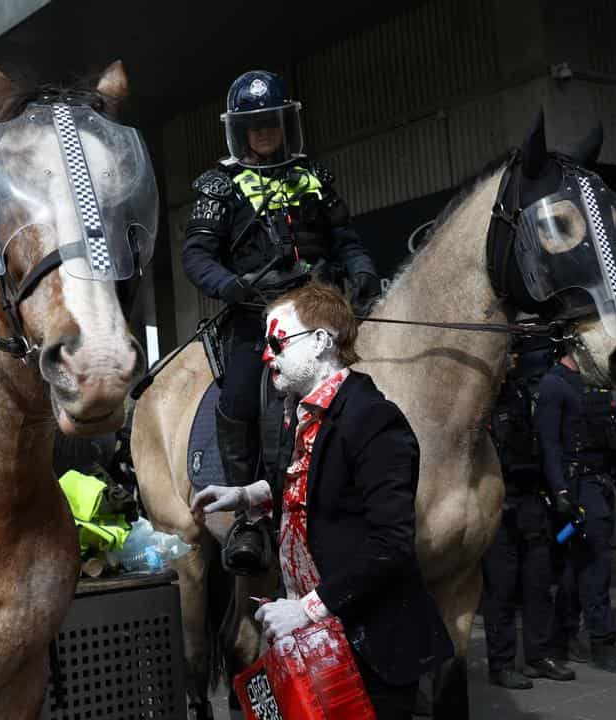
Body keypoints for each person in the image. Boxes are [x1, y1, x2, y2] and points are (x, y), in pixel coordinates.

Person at [190, 283, 451, 719]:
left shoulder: (374, 420)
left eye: (277, 342)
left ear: (321, 342)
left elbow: (391, 545)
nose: (267, 355)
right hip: (319, 639)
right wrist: (248, 494)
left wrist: (305, 610)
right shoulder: (305, 413)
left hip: (369, 648)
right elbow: (316, 485)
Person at [181, 70, 378, 572]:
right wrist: (229, 285)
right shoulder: (218, 186)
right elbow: (197, 255)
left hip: (321, 312)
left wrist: (362, 270)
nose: (265, 131)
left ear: (284, 124)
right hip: (255, 318)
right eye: (256, 124)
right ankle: (249, 518)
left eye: (272, 122)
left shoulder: (314, 176)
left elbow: (346, 239)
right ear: (241, 131)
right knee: (241, 394)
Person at [535, 339, 616, 674]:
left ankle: (563, 638)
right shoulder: (554, 384)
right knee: (593, 567)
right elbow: (549, 444)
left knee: (578, 569)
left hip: (597, 482)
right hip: (577, 487)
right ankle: (602, 643)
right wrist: (561, 490)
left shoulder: (592, 381)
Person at [481, 336, 575, 688]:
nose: (513, 360)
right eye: (508, 354)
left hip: (531, 500)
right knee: (501, 589)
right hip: (500, 504)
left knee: (538, 583)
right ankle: (501, 663)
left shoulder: (522, 394)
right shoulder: (482, 400)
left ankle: (539, 655)